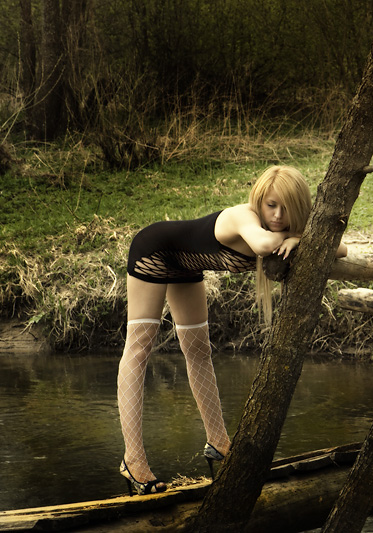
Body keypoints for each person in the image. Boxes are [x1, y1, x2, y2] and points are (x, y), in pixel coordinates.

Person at [117, 165, 347, 495]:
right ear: (259, 201)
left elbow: (341, 248)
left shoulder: (290, 227)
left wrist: (300, 237)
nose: (278, 215)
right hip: (154, 250)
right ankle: (133, 460)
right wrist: (294, 237)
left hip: (187, 265)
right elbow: (264, 245)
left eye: (286, 208)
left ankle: (218, 441)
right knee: (139, 347)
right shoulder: (244, 217)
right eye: (271, 205)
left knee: (198, 350)